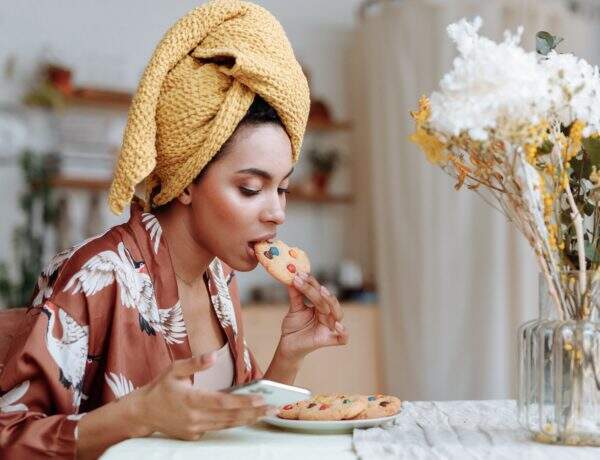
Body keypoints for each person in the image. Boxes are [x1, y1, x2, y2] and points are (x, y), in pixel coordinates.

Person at [0, 1, 348, 458]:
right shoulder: (98, 275)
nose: (277, 212)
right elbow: (9, 437)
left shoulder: (220, 278)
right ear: (186, 182)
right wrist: (137, 415)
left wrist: (290, 354)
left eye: (281, 188)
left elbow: (232, 434)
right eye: (250, 188)